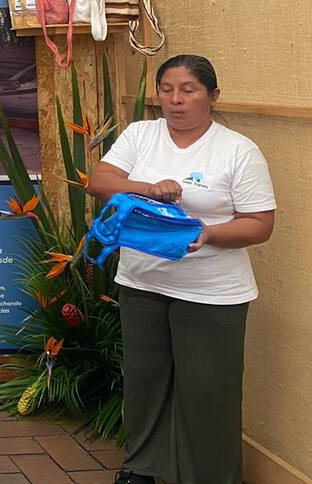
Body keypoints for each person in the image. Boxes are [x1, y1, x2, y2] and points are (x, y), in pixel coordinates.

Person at [90, 55, 276, 484]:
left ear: (213, 96)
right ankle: (141, 469)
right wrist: (148, 189)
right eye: (167, 89)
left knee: (209, 390)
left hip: (212, 291)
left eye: (188, 90)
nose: (175, 100)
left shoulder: (237, 150)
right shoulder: (141, 134)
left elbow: (260, 224)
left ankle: (212, 475)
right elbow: (100, 181)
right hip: (142, 282)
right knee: (145, 381)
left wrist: (208, 234)